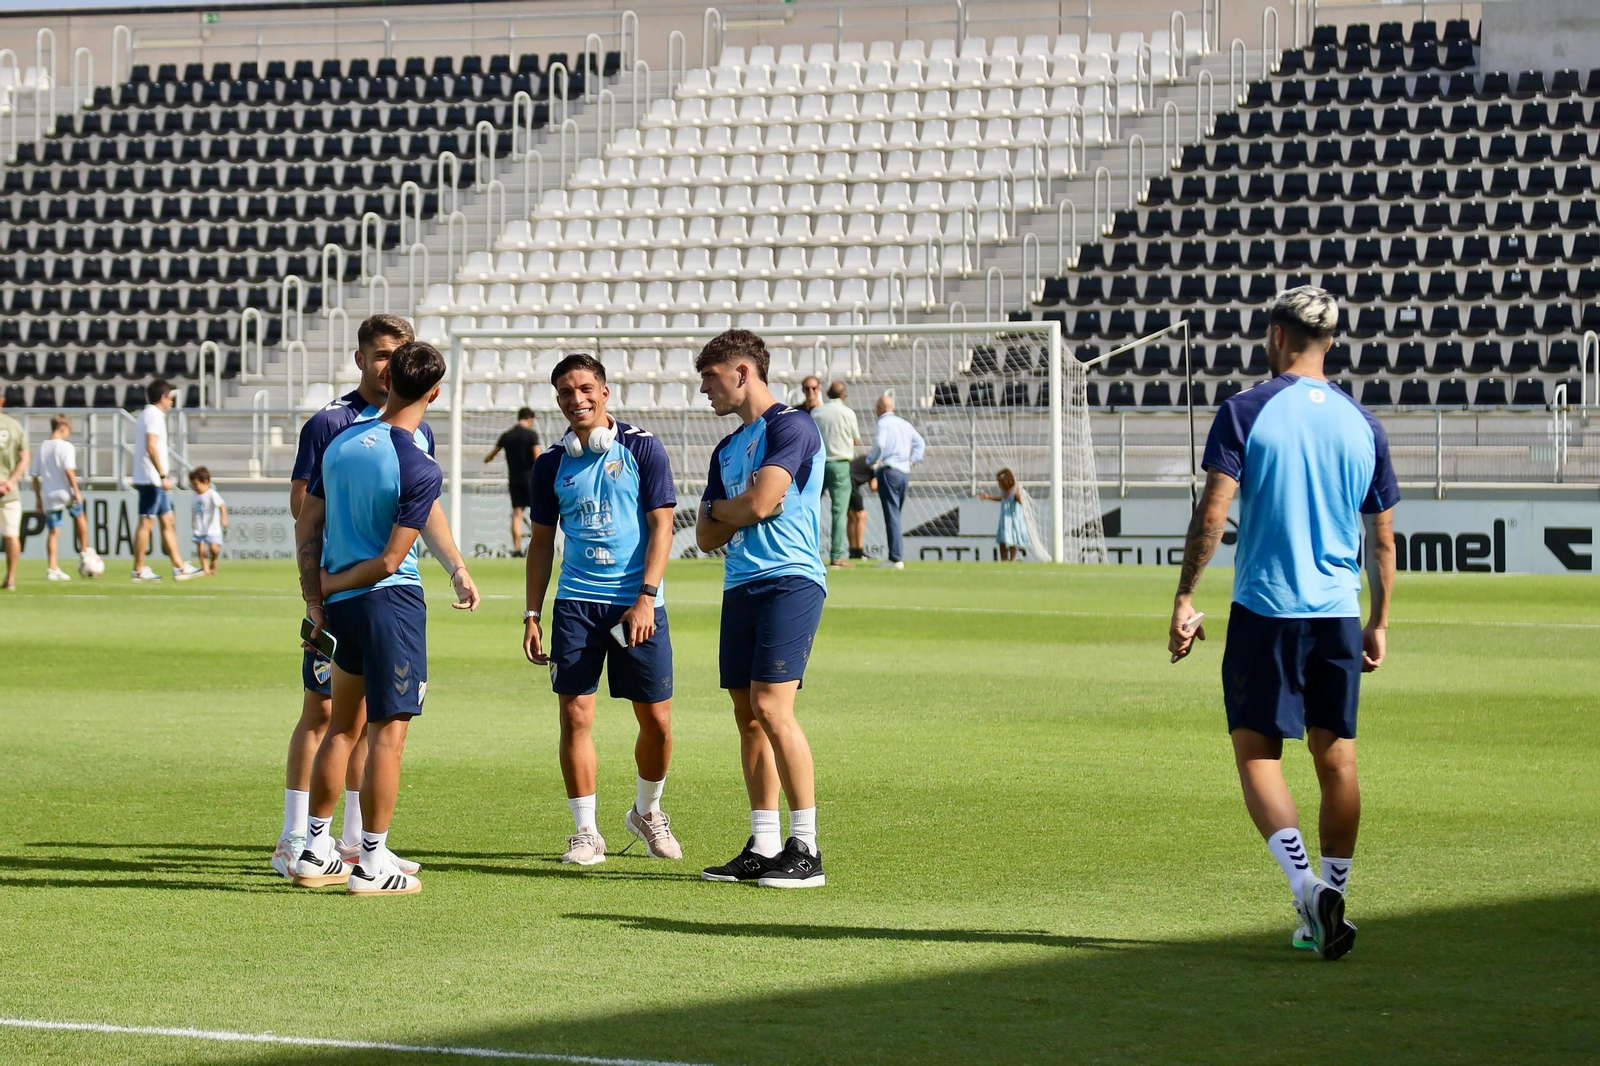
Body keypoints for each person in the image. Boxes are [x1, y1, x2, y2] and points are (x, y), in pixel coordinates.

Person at [1168, 286, 1398, 962]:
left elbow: (1214, 512)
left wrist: (1184, 598)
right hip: (1336, 613)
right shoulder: (1363, 424)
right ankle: (1332, 893)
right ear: (1331, 342)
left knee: (1258, 755)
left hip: (1267, 608)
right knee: (1339, 760)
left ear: (1275, 335)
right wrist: (1378, 622)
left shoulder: (1246, 410)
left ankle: (1304, 886)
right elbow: (1383, 541)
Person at [271, 314, 479, 881]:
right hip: (382, 596)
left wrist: (455, 564)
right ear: (361, 358)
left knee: (346, 723)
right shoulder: (333, 425)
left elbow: (312, 517)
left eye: (399, 355)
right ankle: (346, 851)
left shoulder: (348, 443)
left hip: (339, 599)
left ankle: (328, 846)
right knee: (371, 725)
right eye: (383, 354)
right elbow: (371, 543)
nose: (390, 365)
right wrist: (320, 591)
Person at [522, 354, 682, 866]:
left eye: (586, 388)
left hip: (638, 604)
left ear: (606, 392)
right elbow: (542, 544)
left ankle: (647, 812)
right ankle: (586, 832)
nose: (577, 400)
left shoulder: (642, 447)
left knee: (656, 721)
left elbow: (663, 527)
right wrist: (531, 614)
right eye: (566, 393)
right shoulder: (550, 463)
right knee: (574, 715)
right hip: (576, 605)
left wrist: (646, 598)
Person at [694, 329, 829, 889]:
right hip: (740, 584)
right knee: (747, 716)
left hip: (790, 580)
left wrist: (739, 507)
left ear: (742, 373)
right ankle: (765, 843)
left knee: (774, 709)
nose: (704, 390)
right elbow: (703, 534)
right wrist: (739, 507)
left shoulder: (792, 425)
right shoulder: (726, 449)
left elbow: (763, 501)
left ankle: (807, 849)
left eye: (710, 378)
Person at [130, 380, 201, 583]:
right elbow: (151, 446)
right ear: (163, 398)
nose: (171, 402)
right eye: (170, 398)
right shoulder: (153, 415)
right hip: (151, 479)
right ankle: (138, 569)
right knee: (146, 521)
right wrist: (162, 475)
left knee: (167, 520)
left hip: (153, 478)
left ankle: (179, 566)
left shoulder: (149, 414)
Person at [865, 390, 925, 570]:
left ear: (879, 408)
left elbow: (880, 445)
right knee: (896, 514)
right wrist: (913, 460)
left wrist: (871, 460)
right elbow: (920, 443)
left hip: (889, 470)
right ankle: (896, 555)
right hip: (904, 473)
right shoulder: (904, 423)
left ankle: (895, 557)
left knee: (891, 514)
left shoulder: (883, 423)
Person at [31, 415, 94, 581]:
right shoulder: (66, 447)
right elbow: (69, 471)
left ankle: (52, 568)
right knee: (80, 516)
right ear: (63, 428)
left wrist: (38, 498)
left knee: (53, 531)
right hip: (65, 492)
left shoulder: (41, 447)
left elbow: (35, 475)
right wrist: (76, 491)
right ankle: (84, 551)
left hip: (49, 494)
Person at [807, 380, 860, 569]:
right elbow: (856, 439)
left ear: (828, 394)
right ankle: (836, 556)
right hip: (840, 464)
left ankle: (807, 552)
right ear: (844, 395)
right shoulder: (848, 413)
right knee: (839, 512)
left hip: (819, 464)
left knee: (810, 508)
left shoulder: (816, 412)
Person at [484, 407, 541, 557]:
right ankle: (538, 546)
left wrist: (487, 459)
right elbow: (538, 458)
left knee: (517, 512)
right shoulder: (531, 435)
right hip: (530, 478)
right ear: (530, 419)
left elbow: (491, 455)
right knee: (536, 512)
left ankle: (516, 549)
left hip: (514, 478)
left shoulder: (507, 435)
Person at [0, 392, 28, 591]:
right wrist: (10, 481)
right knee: (12, 535)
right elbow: (25, 458)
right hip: (9, 491)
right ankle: (10, 578)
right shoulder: (15, 426)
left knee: (12, 535)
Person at [977, 468, 1029, 562]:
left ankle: (1012, 560)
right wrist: (988, 497)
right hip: (1004, 520)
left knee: (1013, 540)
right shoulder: (1004, 492)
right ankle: (1004, 560)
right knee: (1002, 541)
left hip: (1013, 520)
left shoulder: (1015, 492)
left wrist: (1020, 496)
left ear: (1006, 481)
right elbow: (1002, 499)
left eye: (999, 482)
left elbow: (1021, 502)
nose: (998, 484)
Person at [188, 467, 229, 576]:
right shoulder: (195, 496)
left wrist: (224, 519)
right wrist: (193, 521)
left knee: (213, 548)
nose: (194, 488)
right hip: (200, 527)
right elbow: (194, 510)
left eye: (196, 484)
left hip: (212, 527)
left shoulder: (212, 494)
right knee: (200, 548)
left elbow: (222, 506)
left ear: (205, 482)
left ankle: (214, 560)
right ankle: (205, 568)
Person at [846, 456, 876, 560]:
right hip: (851, 483)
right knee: (861, 516)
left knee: (852, 516)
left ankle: (853, 550)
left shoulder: (867, 459)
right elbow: (874, 487)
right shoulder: (877, 465)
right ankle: (858, 551)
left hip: (845, 480)